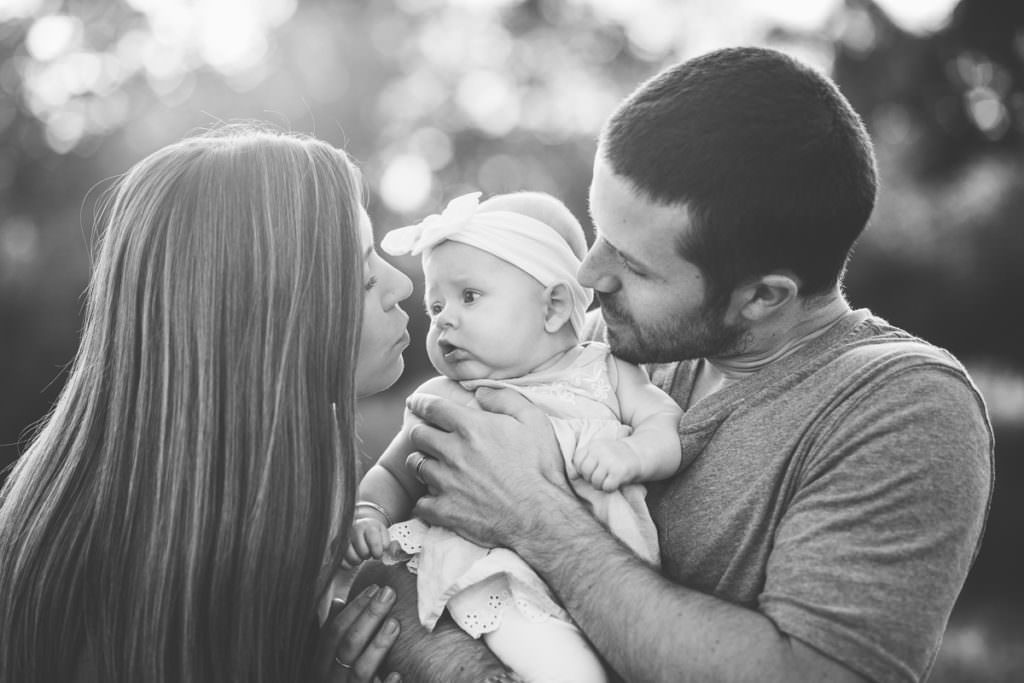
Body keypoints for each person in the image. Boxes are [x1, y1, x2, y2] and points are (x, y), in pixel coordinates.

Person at [383, 47, 994, 682]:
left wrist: (537, 518)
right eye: (597, 230)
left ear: (762, 295)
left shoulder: (903, 411)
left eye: (635, 265)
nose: (591, 275)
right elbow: (405, 548)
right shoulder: (588, 347)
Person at [0, 125, 418, 683]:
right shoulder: (141, 583)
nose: (402, 287)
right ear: (269, 323)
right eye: (365, 279)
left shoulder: (251, 506)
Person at [346, 190, 683, 683]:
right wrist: (369, 511)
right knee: (571, 673)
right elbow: (394, 474)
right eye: (436, 305)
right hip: (491, 578)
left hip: (603, 580)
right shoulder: (448, 396)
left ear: (553, 307)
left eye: (469, 297)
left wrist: (632, 453)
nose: (444, 319)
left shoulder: (605, 371)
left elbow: (665, 426)